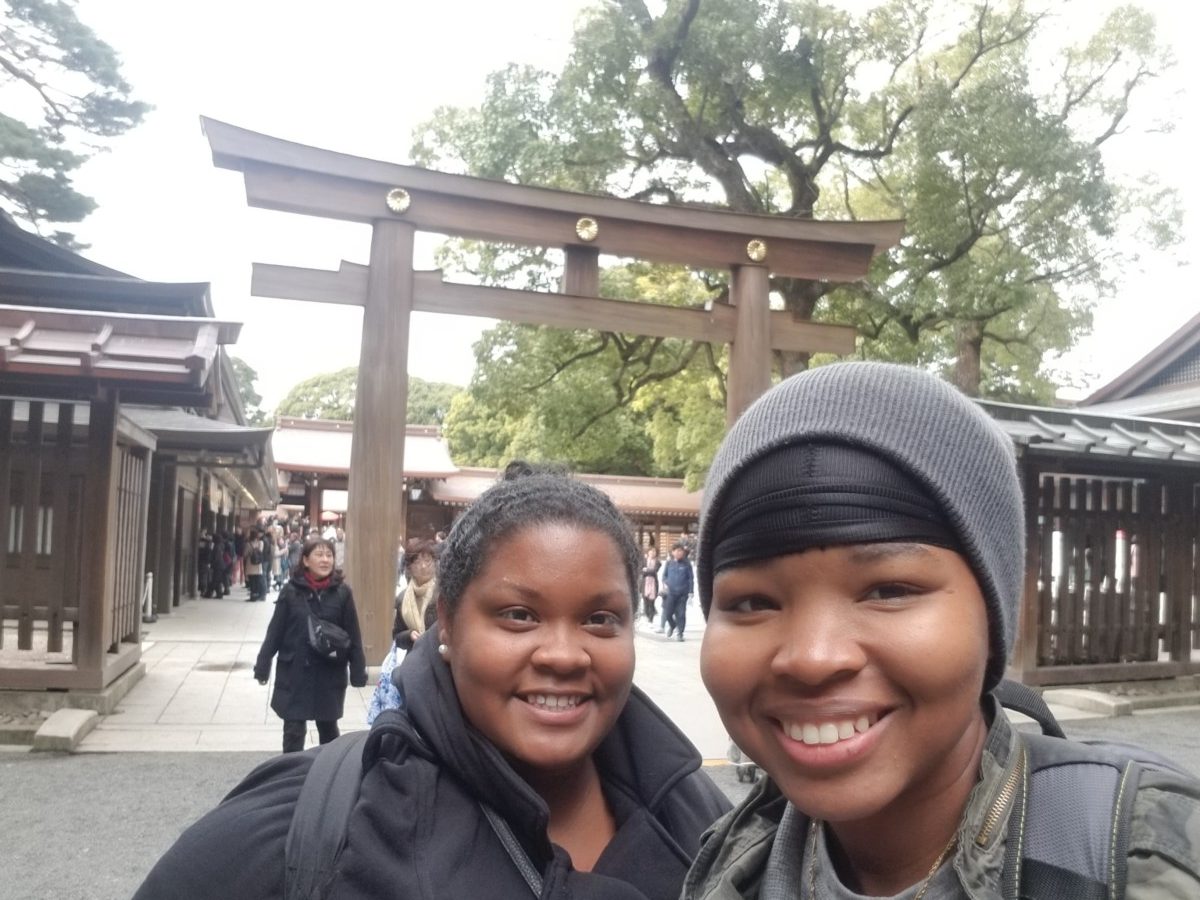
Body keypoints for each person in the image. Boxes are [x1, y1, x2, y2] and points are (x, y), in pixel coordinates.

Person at [683, 362, 1200, 899]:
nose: (813, 657)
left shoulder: (1145, 854)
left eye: (889, 591)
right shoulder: (733, 864)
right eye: (752, 602)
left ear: (993, 616)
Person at [134, 462, 729, 900]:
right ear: (446, 619)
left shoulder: (706, 820)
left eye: (600, 619)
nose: (563, 655)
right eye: (519, 615)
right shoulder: (312, 825)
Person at [251, 535, 367, 753]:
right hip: (295, 672)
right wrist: (262, 664)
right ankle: (292, 776)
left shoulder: (342, 593)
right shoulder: (291, 591)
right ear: (305, 560)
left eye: (329, 555)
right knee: (293, 730)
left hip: (329, 672)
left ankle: (329, 775)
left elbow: (354, 635)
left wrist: (358, 671)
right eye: (319, 554)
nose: (325, 560)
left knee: (329, 730)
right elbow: (275, 632)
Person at [658, 541, 694, 641]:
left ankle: (680, 633)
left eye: (681, 551)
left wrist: (691, 592)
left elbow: (690, 578)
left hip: (683, 593)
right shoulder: (669, 563)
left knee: (681, 613)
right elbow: (664, 576)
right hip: (671, 593)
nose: (679, 553)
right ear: (673, 552)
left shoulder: (687, 563)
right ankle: (673, 625)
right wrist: (666, 582)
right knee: (668, 613)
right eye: (677, 551)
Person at [640, 546, 660, 624]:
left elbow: (655, 571)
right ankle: (647, 615)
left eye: (654, 552)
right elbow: (640, 571)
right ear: (648, 552)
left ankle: (651, 619)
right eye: (651, 551)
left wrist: (646, 570)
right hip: (645, 583)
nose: (652, 553)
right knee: (645, 602)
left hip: (653, 584)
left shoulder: (658, 562)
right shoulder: (643, 561)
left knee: (652, 602)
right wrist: (648, 571)